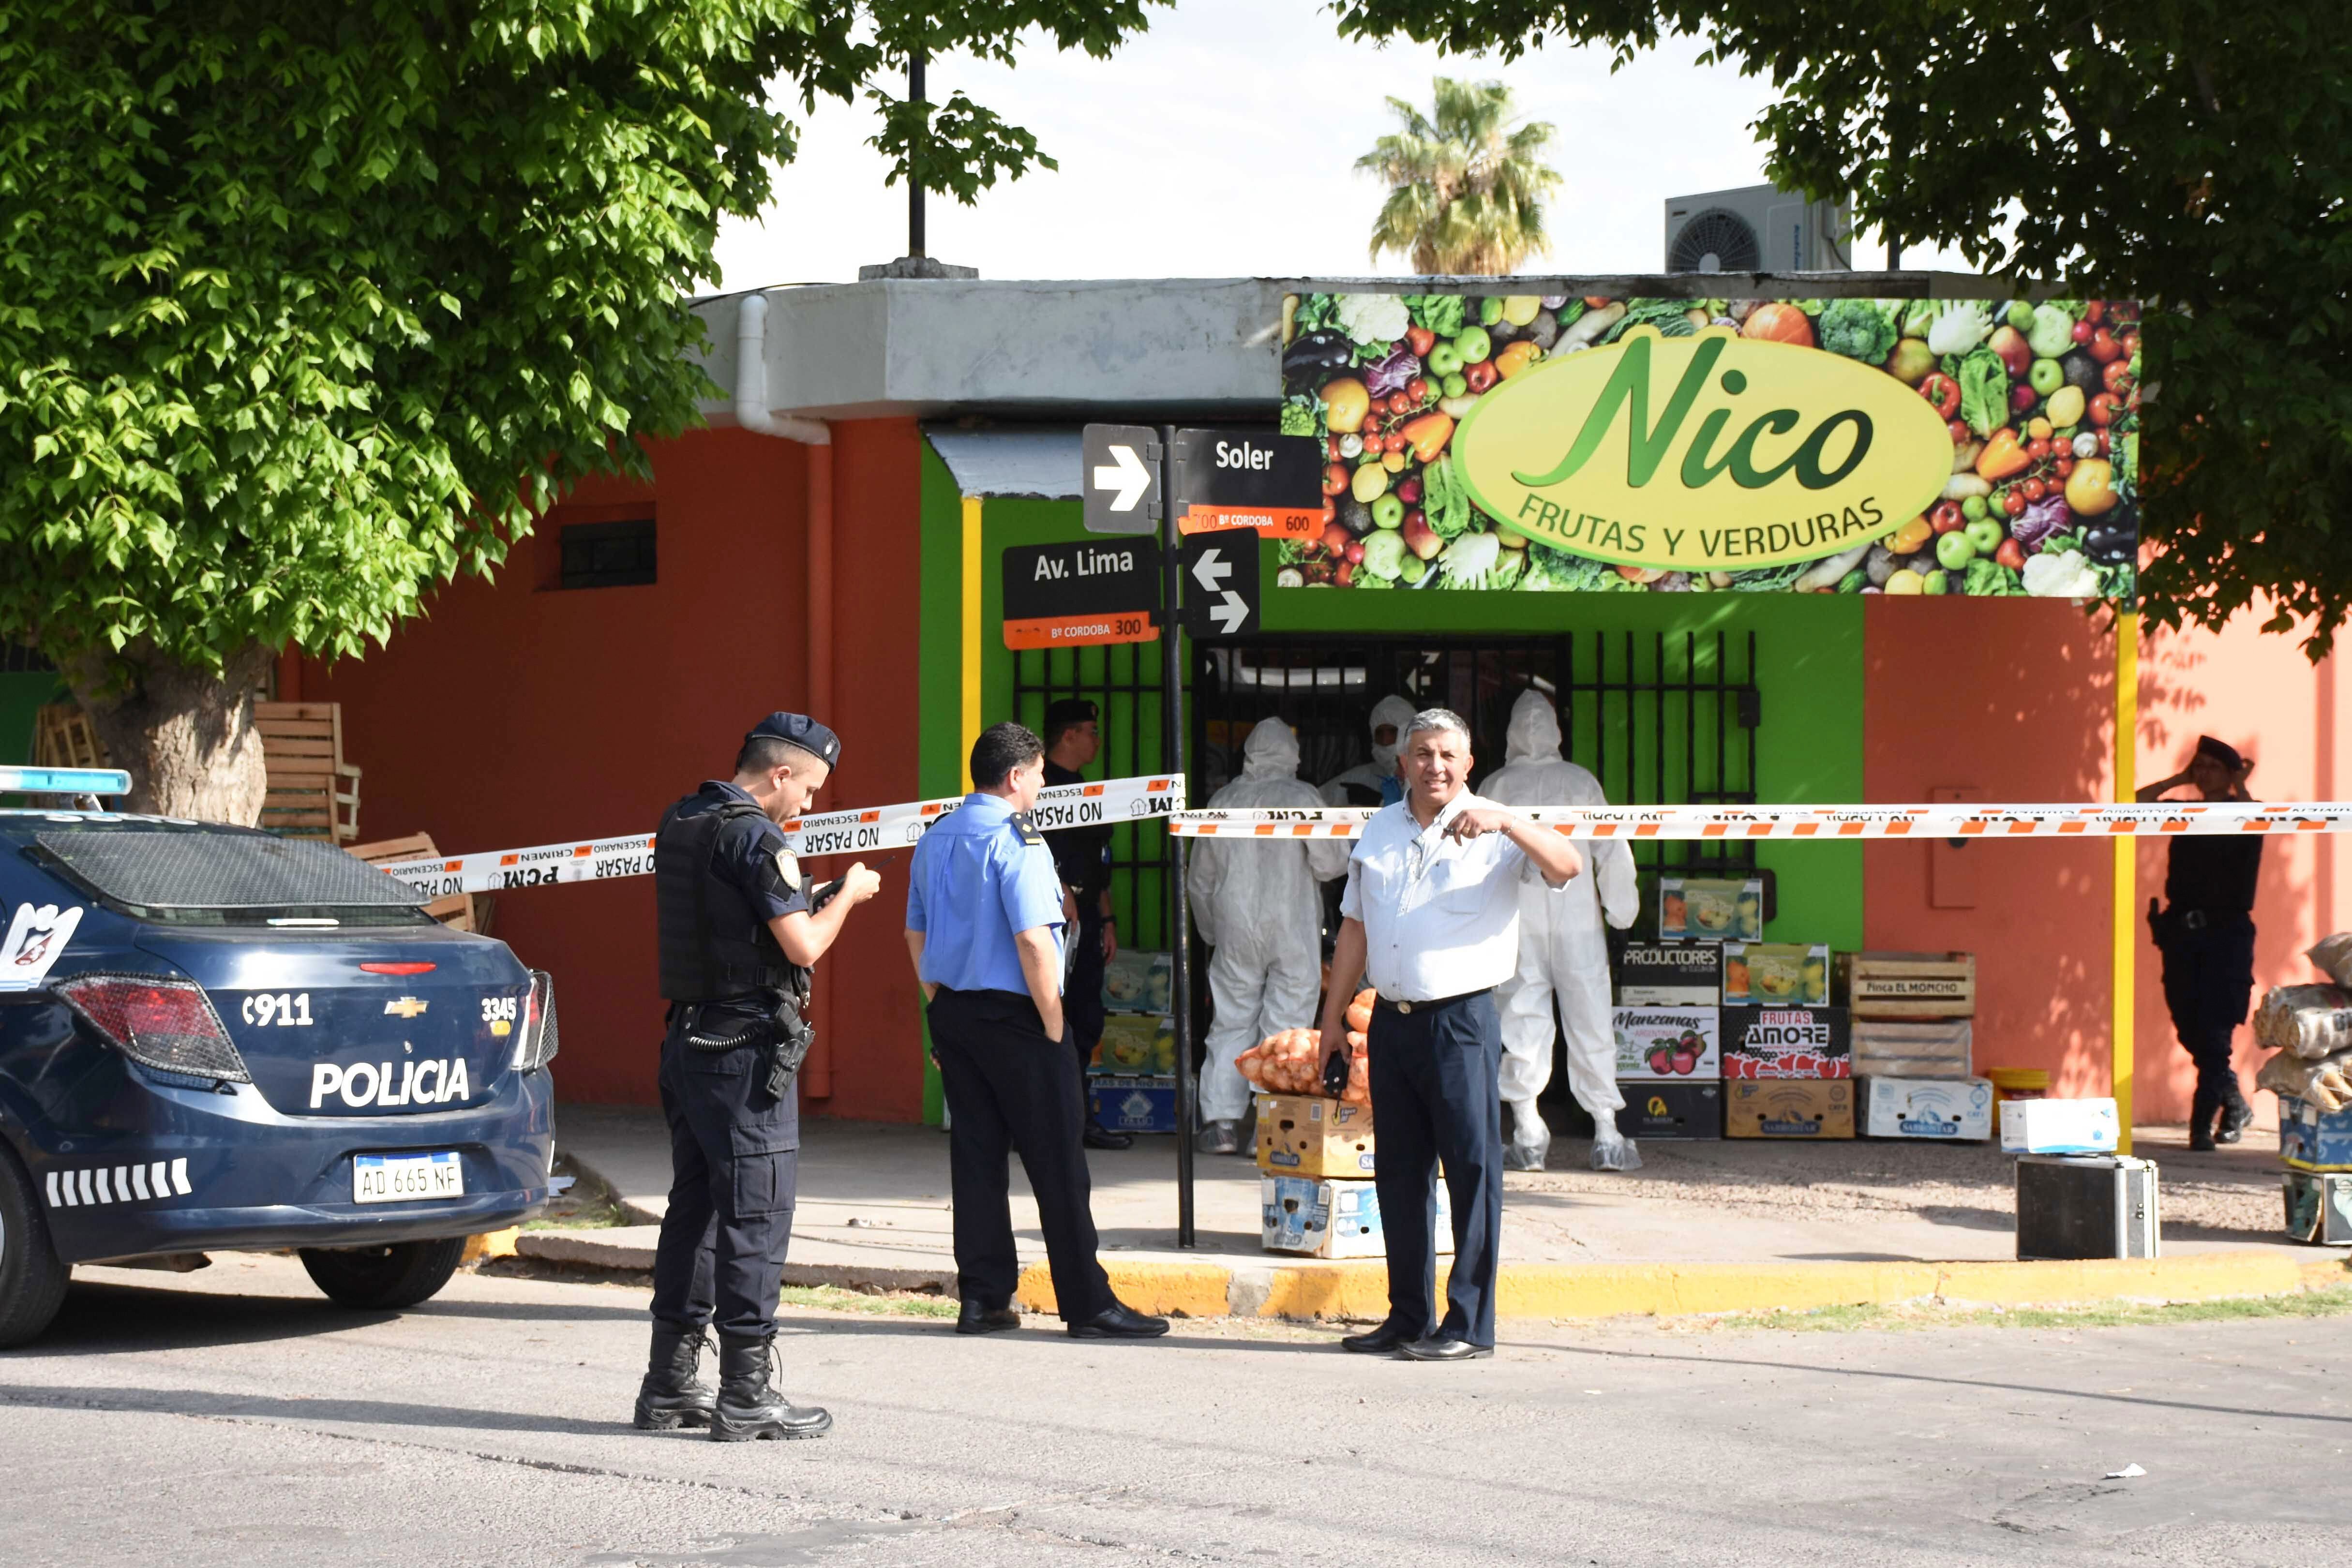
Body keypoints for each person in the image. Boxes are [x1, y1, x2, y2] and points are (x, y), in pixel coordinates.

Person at [637, 713, 883, 1442]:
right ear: (779, 774)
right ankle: (746, 1395)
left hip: (688, 1040)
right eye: (808, 788)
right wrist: (847, 896)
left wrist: (809, 891)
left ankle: (669, 1386)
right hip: (742, 1053)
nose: (808, 804)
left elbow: (729, 923)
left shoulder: (685, 817)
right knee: (756, 1215)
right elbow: (801, 945)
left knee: (696, 1214)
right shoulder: (755, 833)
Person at [1317, 709, 1582, 1362]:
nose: (1434, 765)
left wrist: (1513, 821)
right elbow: (1354, 929)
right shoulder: (1380, 828)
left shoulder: (1495, 826)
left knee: (1472, 1170)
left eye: (1447, 755)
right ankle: (1406, 1316)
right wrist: (1330, 1021)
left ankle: (1468, 1323)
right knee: (1400, 1175)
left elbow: (1567, 866)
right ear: (1403, 762)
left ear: (1468, 763)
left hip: (1461, 1021)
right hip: (1391, 1021)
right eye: (1423, 753)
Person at [904, 720, 1170, 1341]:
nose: (1045, 784)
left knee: (975, 1158)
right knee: (1057, 1163)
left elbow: (914, 933)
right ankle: (1088, 1304)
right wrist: (1054, 1025)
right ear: (1017, 776)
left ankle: (984, 1298)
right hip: (1020, 1015)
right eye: (1041, 774)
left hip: (956, 1013)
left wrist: (938, 1002)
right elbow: (1032, 938)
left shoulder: (936, 836)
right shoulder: (1018, 837)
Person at [1484, 691, 1642, 1173]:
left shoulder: (1495, 785)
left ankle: (1528, 1131)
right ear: (1556, 730)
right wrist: (1623, 911)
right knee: (1590, 1017)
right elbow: (1611, 849)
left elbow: (1478, 860)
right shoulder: (1580, 782)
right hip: (1578, 921)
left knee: (1520, 1018)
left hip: (1519, 921)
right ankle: (1607, 1133)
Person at [1186, 717, 1352, 1154]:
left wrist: (1211, 931)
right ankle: (1270, 1119)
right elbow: (1331, 864)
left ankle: (1220, 1122)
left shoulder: (1223, 799)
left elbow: (1200, 880)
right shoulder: (1303, 797)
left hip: (1234, 927)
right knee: (1287, 1022)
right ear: (1292, 756)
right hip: (1291, 925)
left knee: (1230, 1019)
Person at [2140, 735, 2262, 1150]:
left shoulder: (2245, 812)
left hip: (2225, 937)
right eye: (2200, 766)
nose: (2204, 773)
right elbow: (2136, 805)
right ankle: (2235, 1103)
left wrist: (2241, 784)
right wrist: (2178, 779)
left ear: (2230, 774)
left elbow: (2253, 816)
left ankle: (2199, 1127)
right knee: (2188, 1025)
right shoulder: (2187, 810)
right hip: (2182, 936)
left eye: (2213, 766)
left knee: (2214, 1034)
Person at [1039, 697, 1130, 1150]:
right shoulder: (1039, 788)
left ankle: (1075, 1120)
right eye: (1090, 732)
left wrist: (1107, 918)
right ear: (1069, 735)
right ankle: (1051, 1122)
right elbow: (1029, 852)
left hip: (1088, 917)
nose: (1097, 740)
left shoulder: (1083, 787)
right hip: (1051, 920)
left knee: (1084, 1019)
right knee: (1050, 1019)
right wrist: (1061, 892)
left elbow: (1097, 863)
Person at [1321, 694, 1415, 808]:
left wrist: (1379, 802)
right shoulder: (1359, 778)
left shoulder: (1430, 775)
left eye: (1393, 732)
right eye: (1379, 733)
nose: (1385, 741)